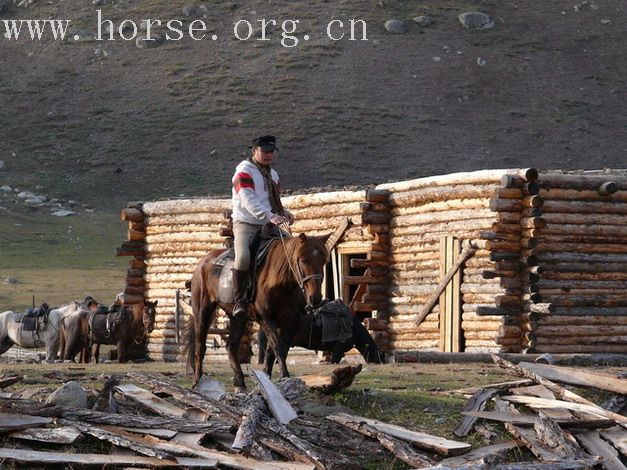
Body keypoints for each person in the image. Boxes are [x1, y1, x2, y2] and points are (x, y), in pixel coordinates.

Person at [231, 135, 294, 319]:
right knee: (242, 258)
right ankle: (240, 300)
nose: (269, 155)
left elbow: (272, 202)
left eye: (271, 151)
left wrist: (284, 212)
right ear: (254, 151)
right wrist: (270, 216)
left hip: (268, 223)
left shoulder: (273, 175)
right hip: (246, 223)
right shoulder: (243, 171)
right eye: (265, 151)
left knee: (293, 250)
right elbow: (249, 200)